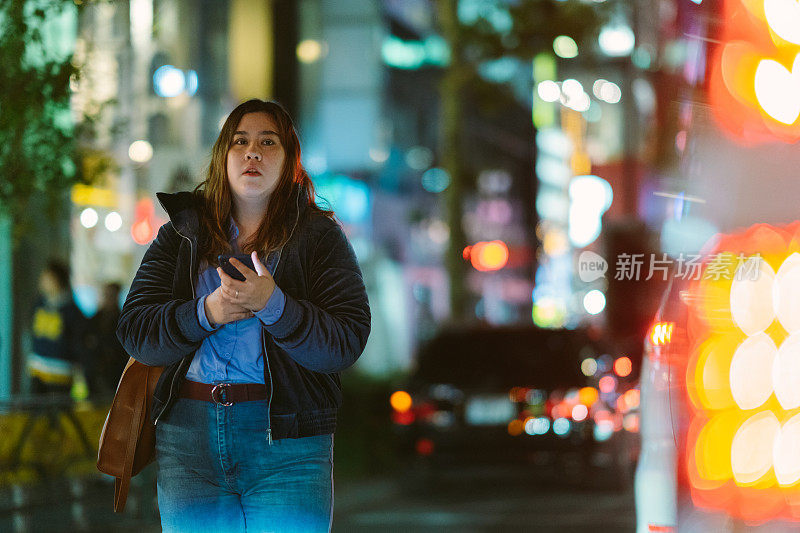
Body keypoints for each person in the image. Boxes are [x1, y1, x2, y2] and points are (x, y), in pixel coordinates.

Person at [116, 99, 371, 532]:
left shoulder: (319, 238)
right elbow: (136, 331)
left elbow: (345, 342)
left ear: (290, 161)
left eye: (267, 142)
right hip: (188, 438)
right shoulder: (181, 234)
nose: (252, 152)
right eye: (241, 141)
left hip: (288, 443)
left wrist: (274, 305)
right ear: (223, 157)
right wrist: (205, 313)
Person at [28, 260, 87, 395]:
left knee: (58, 412)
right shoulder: (39, 304)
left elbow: (77, 340)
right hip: (37, 370)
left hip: (61, 373)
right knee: (35, 413)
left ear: (57, 280)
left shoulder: (71, 310)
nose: (42, 281)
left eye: (47, 277)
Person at [83, 282, 127, 397]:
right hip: (94, 372)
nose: (108, 298)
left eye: (111, 295)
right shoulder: (94, 319)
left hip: (113, 373)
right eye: (106, 294)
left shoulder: (123, 321)